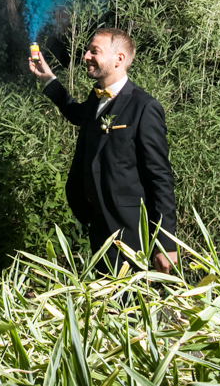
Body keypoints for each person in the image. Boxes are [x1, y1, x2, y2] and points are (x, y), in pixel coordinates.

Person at [29, 28, 177, 274]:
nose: (86, 55)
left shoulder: (145, 107)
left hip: (130, 230)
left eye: (94, 51)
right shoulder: (96, 98)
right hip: (98, 224)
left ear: (119, 59)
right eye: (87, 50)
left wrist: (166, 242)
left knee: (129, 307)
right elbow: (77, 114)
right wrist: (48, 79)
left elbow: (160, 177)